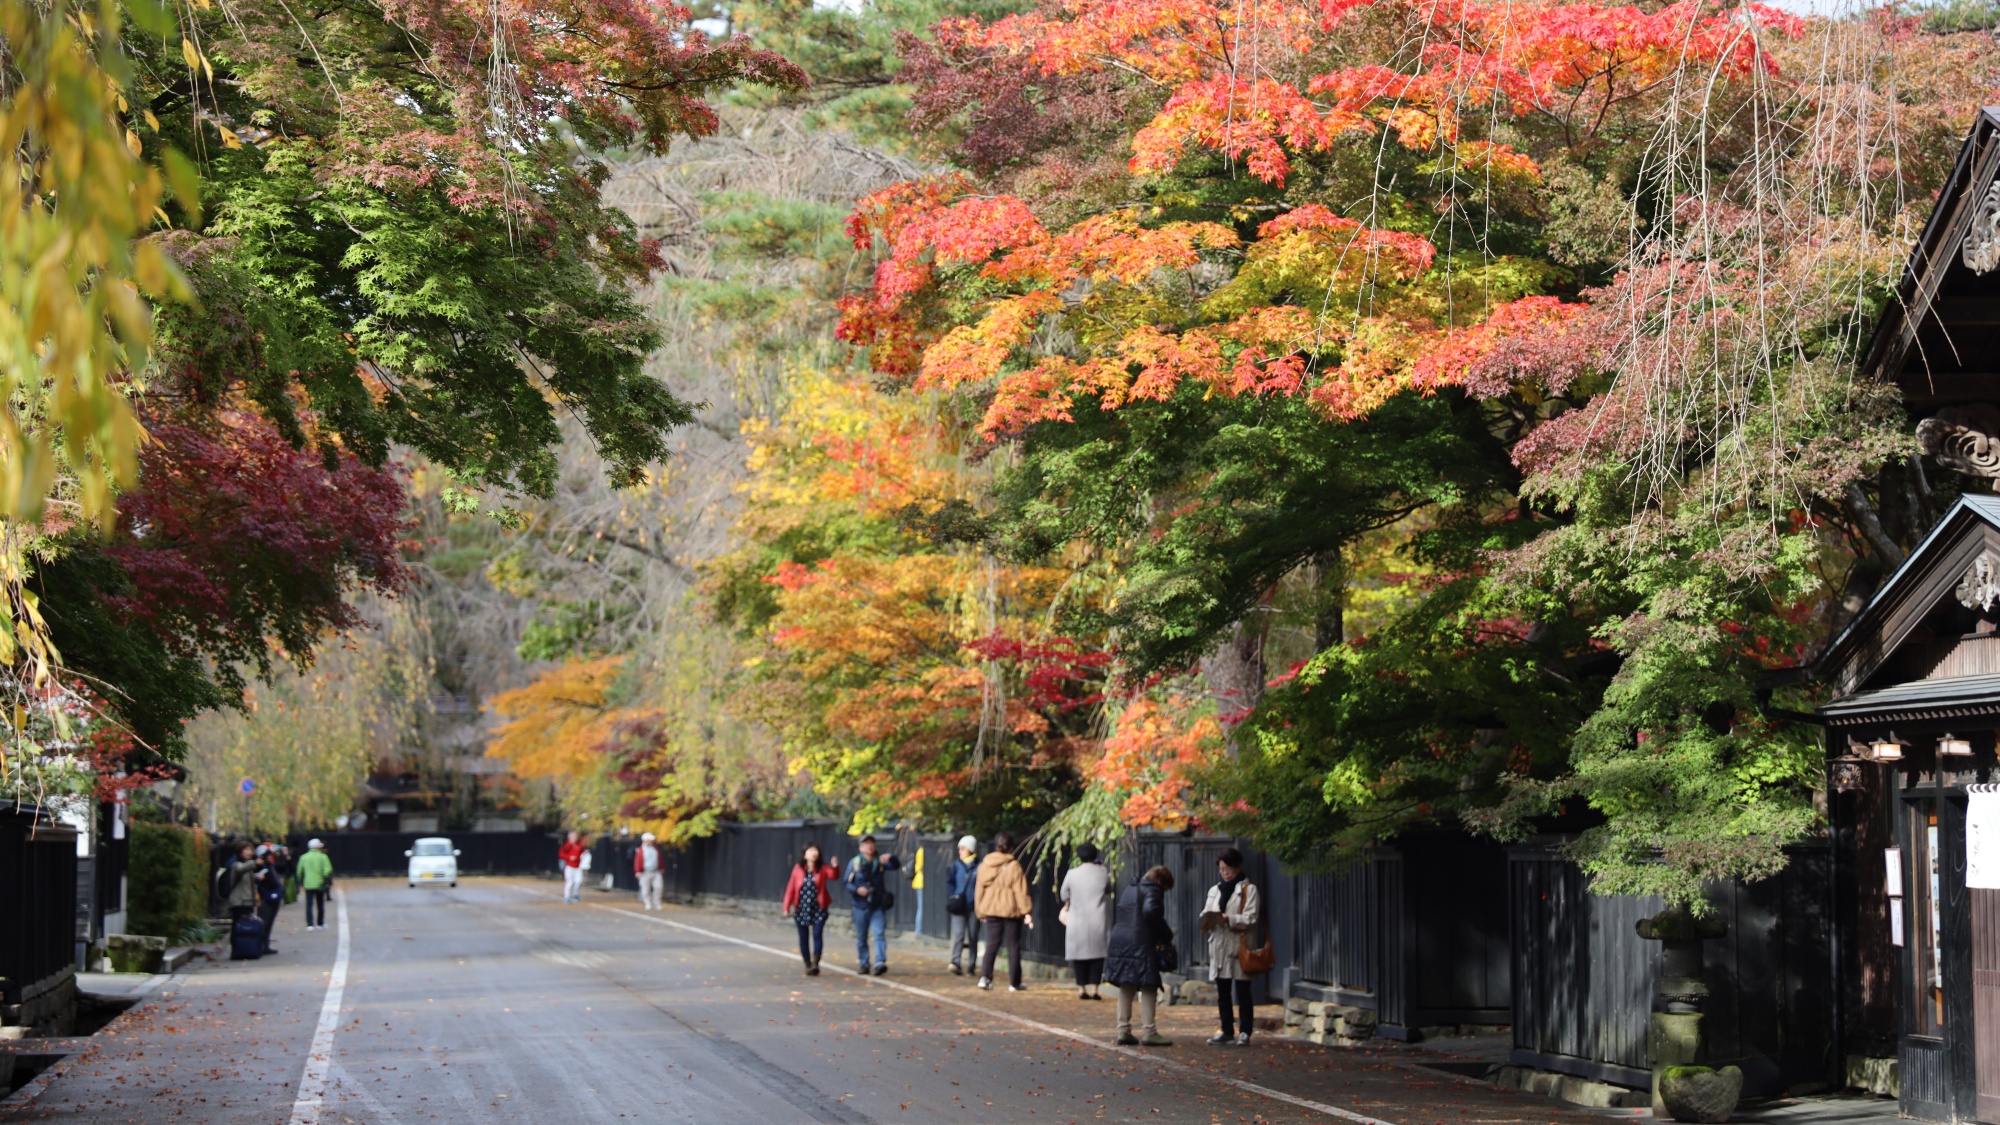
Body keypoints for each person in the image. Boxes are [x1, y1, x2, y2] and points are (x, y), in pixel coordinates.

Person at [1105, 864, 1176, 1046]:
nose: (1164, 891)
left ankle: (1123, 1030)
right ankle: (1149, 1031)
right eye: (1165, 888)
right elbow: (1151, 911)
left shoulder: (1131, 888)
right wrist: (1165, 933)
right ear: (1160, 881)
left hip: (1120, 939)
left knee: (1126, 984)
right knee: (1148, 985)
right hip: (1140, 941)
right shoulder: (1152, 890)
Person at [1201, 848, 1262, 1045]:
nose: (1225, 873)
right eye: (1222, 869)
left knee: (1243, 990)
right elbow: (1206, 912)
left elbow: (1251, 917)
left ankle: (1245, 1031)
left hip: (1239, 945)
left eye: (1229, 868)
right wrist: (1207, 921)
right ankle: (1226, 1029)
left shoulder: (1248, 890)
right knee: (1223, 991)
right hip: (1219, 944)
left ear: (1237, 868)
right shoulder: (1215, 890)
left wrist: (1230, 918)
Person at [974, 830, 1034, 992]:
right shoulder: (1014, 866)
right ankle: (1014, 982)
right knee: (1013, 946)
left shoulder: (985, 865)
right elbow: (1020, 891)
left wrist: (980, 911)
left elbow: (979, 889)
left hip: (991, 908)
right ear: (1011, 847)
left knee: (992, 944)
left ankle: (985, 977)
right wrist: (1026, 911)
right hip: (1010, 910)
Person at [1060, 841, 1112, 1000]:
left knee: (1079, 954)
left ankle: (1082, 989)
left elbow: (1063, 894)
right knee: (1098, 955)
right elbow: (1109, 889)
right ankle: (1095, 989)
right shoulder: (1102, 872)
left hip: (1078, 918)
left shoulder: (1072, 873)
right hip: (1098, 917)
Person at [844, 835, 902, 975]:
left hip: (877, 904)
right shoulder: (855, 863)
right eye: (866, 844)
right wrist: (857, 890)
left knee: (879, 933)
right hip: (860, 905)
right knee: (862, 936)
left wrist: (891, 857)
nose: (869, 846)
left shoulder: (880, 862)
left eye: (872, 843)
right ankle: (864, 963)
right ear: (860, 848)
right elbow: (846, 882)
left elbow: (896, 865)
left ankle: (880, 962)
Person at [782, 842, 840, 976]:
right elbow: (791, 888)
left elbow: (833, 875)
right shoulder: (798, 868)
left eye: (816, 851)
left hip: (818, 907)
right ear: (805, 854)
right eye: (810, 851)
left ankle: (816, 963)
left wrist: (835, 866)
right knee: (803, 937)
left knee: (817, 934)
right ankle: (807, 964)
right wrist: (786, 906)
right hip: (801, 908)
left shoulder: (823, 868)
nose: (814, 853)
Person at [944, 835, 980, 976]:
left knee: (973, 936)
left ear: (970, 849)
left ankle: (971, 965)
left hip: (973, 906)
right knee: (958, 934)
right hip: (958, 905)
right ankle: (955, 962)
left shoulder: (979, 865)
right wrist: (954, 895)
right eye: (959, 848)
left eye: (963, 848)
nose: (960, 851)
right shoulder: (955, 865)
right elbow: (950, 882)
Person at [255, 844, 285, 954]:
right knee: (264, 922)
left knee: (269, 923)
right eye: (265, 855)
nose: (268, 857)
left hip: (274, 896)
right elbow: (256, 881)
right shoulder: (259, 867)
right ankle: (259, 945)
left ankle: (265, 945)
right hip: (266, 897)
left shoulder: (270, 865)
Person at [298, 839, 333, 931]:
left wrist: (301, 882)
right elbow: (328, 869)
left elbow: (299, 872)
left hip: (308, 884)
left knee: (309, 904)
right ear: (317, 846)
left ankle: (310, 924)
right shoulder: (323, 856)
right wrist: (325, 878)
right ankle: (320, 923)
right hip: (319, 884)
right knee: (320, 904)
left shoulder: (304, 857)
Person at [224, 842, 260, 921]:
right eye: (246, 849)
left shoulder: (248, 866)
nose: (249, 852)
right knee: (239, 927)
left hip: (247, 903)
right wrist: (255, 862)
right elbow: (241, 869)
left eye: (250, 850)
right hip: (239, 903)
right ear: (240, 852)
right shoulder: (236, 864)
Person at [634, 832, 664, 911]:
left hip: (655, 871)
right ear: (645, 840)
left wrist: (661, 868)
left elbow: (659, 858)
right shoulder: (641, 850)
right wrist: (637, 871)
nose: (651, 841)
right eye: (650, 840)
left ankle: (657, 902)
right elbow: (637, 861)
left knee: (658, 887)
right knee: (645, 889)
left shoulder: (655, 848)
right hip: (645, 872)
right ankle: (647, 903)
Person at [558, 831, 587, 903]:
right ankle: (567, 897)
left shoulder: (579, 845)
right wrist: (569, 857)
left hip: (577, 866)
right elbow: (561, 854)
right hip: (569, 866)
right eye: (574, 836)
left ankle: (575, 894)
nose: (576, 838)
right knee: (569, 882)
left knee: (579, 881)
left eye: (576, 836)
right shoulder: (567, 845)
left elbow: (582, 851)